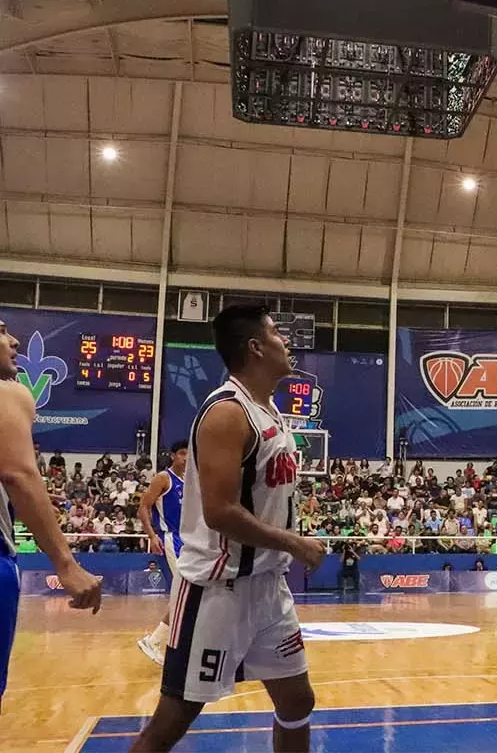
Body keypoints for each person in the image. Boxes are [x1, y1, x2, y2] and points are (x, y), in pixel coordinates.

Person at [131, 305, 326, 752]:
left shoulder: (269, 410)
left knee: (297, 700)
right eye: (278, 334)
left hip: (268, 589)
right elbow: (219, 512)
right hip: (216, 590)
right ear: (256, 347)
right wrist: (294, 543)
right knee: (173, 719)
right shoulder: (226, 413)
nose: (287, 342)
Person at [0, 318, 102, 707]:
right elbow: (20, 473)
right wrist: (65, 562)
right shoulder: (9, 394)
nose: (14, 340)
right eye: (1, 331)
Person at [136, 440, 189, 665]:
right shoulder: (163, 478)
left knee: (187, 596)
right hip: (171, 539)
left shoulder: (193, 479)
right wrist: (151, 535)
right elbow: (143, 507)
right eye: (182, 454)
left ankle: (161, 642)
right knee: (184, 594)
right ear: (173, 455)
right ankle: (156, 641)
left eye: (189, 454)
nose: (186, 458)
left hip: (190, 541)